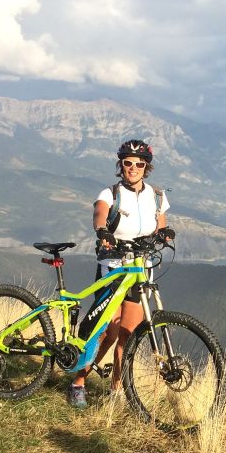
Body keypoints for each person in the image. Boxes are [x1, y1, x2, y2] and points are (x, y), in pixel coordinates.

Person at [67, 139, 174, 408]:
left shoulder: (157, 196)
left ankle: (117, 390)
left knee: (127, 333)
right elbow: (99, 215)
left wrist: (165, 233)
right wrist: (103, 232)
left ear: (146, 167)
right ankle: (78, 381)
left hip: (140, 271)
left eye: (140, 163)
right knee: (105, 332)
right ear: (121, 165)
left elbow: (161, 225)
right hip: (113, 269)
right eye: (128, 163)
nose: (134, 167)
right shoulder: (110, 194)